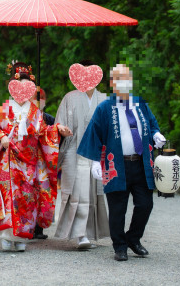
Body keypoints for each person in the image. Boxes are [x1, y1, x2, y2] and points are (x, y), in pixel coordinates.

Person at [0, 62, 72, 251]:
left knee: (27, 196)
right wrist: (2, 136)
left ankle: (23, 236)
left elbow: (44, 132)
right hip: (8, 159)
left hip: (29, 161)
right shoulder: (3, 109)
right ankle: (6, 235)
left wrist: (57, 129)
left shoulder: (35, 112)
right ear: (12, 86)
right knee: (8, 195)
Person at [77, 64, 166, 261]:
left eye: (126, 78)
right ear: (113, 83)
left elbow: (151, 125)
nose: (124, 82)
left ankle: (133, 238)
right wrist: (94, 163)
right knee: (118, 208)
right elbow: (94, 135)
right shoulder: (104, 108)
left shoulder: (140, 104)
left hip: (141, 163)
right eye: (119, 78)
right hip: (116, 165)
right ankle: (120, 246)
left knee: (145, 204)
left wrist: (157, 134)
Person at [54, 60, 110, 249]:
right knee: (78, 192)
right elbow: (59, 124)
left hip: (96, 153)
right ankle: (80, 235)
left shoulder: (103, 99)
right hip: (74, 150)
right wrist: (61, 130)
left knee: (93, 192)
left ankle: (89, 233)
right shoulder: (69, 98)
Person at [31, 88, 55, 239]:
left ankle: (39, 228)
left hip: (44, 163)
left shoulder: (49, 119)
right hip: (28, 160)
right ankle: (29, 227)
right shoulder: (25, 118)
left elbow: (56, 139)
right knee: (29, 194)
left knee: (43, 195)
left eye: (41, 99)